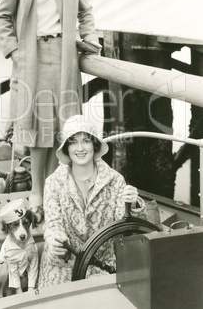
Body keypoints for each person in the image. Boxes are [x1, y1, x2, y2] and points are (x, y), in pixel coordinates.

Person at [0, 0, 101, 222]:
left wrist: (90, 38)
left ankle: (54, 193)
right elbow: (2, 16)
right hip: (32, 57)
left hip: (64, 57)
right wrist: (14, 51)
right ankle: (37, 193)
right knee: (39, 128)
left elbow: (86, 12)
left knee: (62, 127)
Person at [38, 115, 147, 287]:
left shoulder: (115, 180)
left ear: (94, 144)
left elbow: (129, 230)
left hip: (103, 266)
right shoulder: (53, 182)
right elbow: (53, 224)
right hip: (62, 266)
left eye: (86, 141)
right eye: (73, 142)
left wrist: (133, 205)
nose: (80, 148)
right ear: (66, 147)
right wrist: (55, 241)